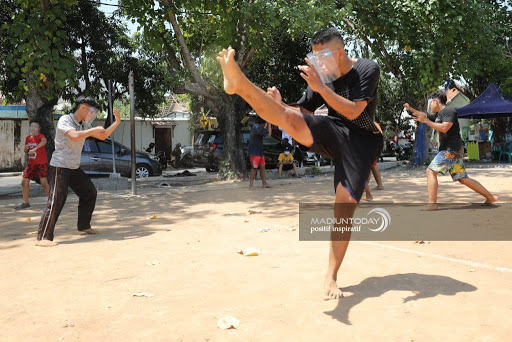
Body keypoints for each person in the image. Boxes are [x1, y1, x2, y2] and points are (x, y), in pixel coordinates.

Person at [216, 27, 383, 300]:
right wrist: (281, 106)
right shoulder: (321, 77)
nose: (317, 63)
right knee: (288, 117)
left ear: (340, 53)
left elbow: (354, 110)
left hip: (362, 141)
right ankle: (240, 85)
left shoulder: (367, 69)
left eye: (322, 56)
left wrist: (319, 87)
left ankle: (331, 275)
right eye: (313, 56)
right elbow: (301, 114)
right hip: (332, 130)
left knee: (343, 210)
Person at [36, 97, 121, 247]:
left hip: (74, 167)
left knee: (89, 192)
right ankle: (43, 237)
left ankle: (84, 226)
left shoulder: (85, 125)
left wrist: (117, 122)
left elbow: (103, 135)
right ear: (83, 108)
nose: (92, 116)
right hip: (60, 166)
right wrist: (92, 130)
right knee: (56, 201)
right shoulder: (65, 120)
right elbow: (74, 136)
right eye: (92, 112)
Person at [404, 91, 498, 210]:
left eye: (431, 103)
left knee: (430, 171)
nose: (430, 106)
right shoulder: (438, 115)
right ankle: (490, 197)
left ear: (436, 102)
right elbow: (423, 115)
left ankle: (432, 204)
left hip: (451, 149)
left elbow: (444, 128)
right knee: (462, 178)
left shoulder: (449, 111)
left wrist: (426, 121)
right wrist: (410, 108)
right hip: (453, 150)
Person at [15, 121, 50, 210]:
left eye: (35, 126)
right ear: (29, 128)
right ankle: (26, 203)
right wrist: (26, 149)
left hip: (41, 163)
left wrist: (35, 148)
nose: (33, 128)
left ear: (39, 129)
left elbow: (44, 141)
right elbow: (25, 150)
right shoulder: (28, 138)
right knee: (24, 182)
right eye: (32, 126)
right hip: (31, 163)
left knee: (44, 183)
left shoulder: (40, 136)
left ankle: (52, 201)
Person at [248, 117, 272, 189]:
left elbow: (266, 132)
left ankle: (264, 183)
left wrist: (267, 123)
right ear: (263, 123)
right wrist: (269, 124)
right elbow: (269, 134)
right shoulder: (258, 127)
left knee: (262, 167)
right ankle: (251, 185)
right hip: (255, 151)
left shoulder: (257, 127)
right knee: (254, 168)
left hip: (258, 151)